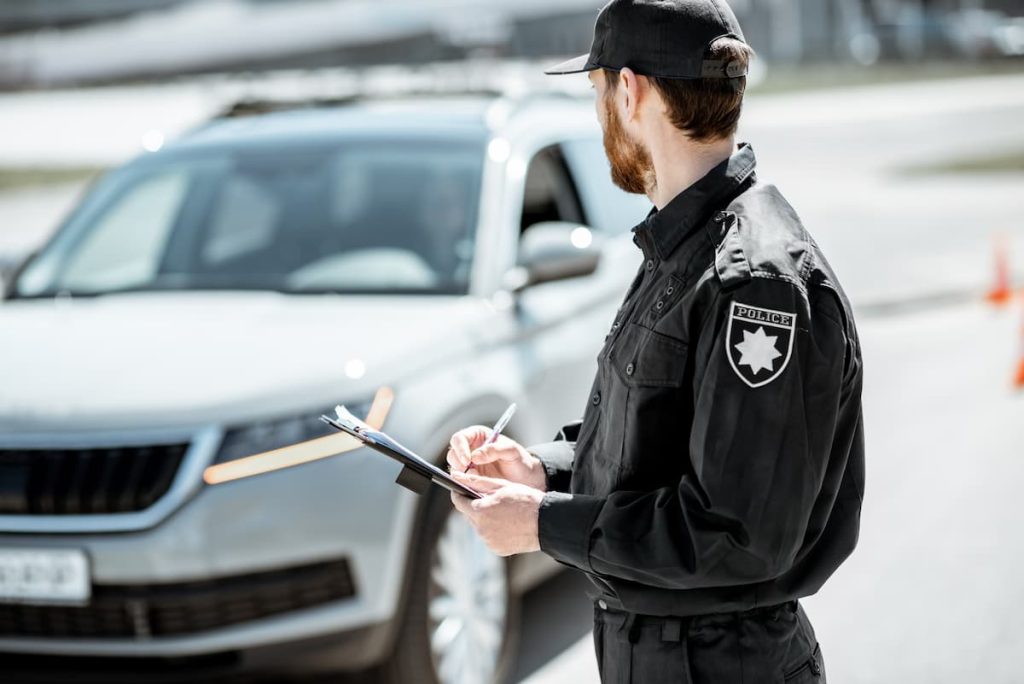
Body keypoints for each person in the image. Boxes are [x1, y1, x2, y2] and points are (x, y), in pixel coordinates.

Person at [446, 1, 865, 681]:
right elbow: (657, 449)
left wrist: (542, 523)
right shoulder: (684, 246)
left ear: (631, 91)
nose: (599, 112)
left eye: (596, 90)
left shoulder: (756, 282)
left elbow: (736, 535)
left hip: (721, 664)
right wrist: (540, 472)